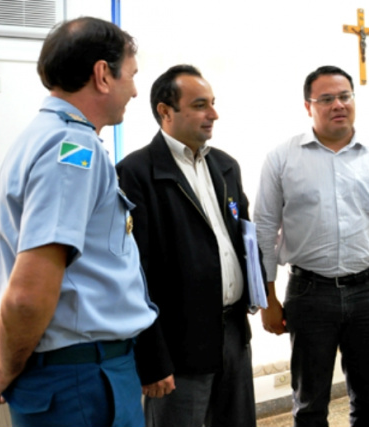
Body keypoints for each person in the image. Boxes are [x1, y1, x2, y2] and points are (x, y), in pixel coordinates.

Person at [0, 16, 157, 427]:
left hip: (71, 373)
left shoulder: (40, 137)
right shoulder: (73, 149)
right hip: (83, 380)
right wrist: (2, 374)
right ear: (103, 75)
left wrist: (0, 353)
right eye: (132, 76)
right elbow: (29, 294)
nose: (136, 91)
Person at [254, 65, 369, 427]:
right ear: (308, 106)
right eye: (326, 98)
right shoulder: (282, 158)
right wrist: (267, 298)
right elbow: (264, 231)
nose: (338, 105)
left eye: (344, 96)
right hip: (308, 294)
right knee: (310, 406)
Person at [116, 64, 261, 427]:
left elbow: (241, 238)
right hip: (178, 343)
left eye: (212, 103)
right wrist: (151, 358)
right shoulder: (136, 173)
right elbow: (136, 274)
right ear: (165, 111)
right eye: (200, 105)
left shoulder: (226, 166)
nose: (213, 114)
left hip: (233, 332)